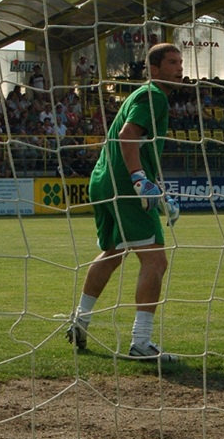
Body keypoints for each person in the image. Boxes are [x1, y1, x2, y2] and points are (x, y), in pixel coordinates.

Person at [66, 43, 183, 362]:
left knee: (113, 253)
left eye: (181, 62)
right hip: (123, 183)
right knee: (156, 261)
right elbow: (128, 136)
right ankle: (141, 343)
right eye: (172, 62)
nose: (180, 68)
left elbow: (132, 141)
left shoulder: (140, 95)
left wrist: (155, 190)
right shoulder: (154, 95)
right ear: (154, 69)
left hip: (103, 180)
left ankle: (80, 320)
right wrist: (138, 179)